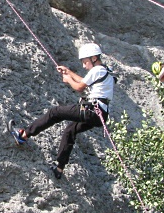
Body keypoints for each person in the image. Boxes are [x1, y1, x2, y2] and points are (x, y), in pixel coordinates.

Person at [8, 43, 115, 179]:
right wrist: (69, 72)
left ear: (94, 58)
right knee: (70, 131)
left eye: (85, 61)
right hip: (100, 115)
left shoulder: (97, 70)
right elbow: (84, 81)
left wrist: (69, 79)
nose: (84, 65)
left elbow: (79, 87)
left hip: (91, 110)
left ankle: (24, 135)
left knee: (55, 112)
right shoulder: (105, 71)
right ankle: (59, 168)